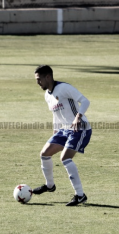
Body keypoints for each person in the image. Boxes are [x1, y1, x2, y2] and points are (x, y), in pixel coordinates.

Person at [32, 65, 92, 206]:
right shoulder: (47, 95)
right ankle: (50, 186)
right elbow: (56, 115)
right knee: (44, 153)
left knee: (65, 158)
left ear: (48, 77)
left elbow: (85, 101)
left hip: (80, 129)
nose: (37, 82)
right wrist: (55, 132)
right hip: (63, 130)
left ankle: (80, 195)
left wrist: (78, 117)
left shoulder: (64, 88)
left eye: (39, 79)